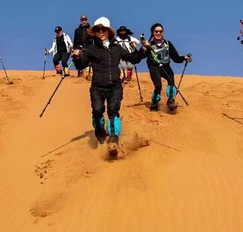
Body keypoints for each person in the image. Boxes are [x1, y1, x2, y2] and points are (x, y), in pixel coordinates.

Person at [72, 17, 145, 156]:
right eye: (98, 30)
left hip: (115, 86)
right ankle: (100, 133)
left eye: (103, 29)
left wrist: (144, 49)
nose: (100, 32)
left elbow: (134, 59)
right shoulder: (91, 49)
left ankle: (113, 141)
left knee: (113, 111)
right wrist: (76, 57)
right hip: (97, 87)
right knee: (97, 111)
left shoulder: (117, 48)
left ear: (109, 32)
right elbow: (81, 65)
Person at [142, 23, 192, 113]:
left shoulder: (167, 44)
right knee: (158, 86)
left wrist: (184, 58)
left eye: (160, 31)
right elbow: (142, 55)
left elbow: (175, 57)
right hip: (154, 67)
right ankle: (154, 103)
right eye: (156, 31)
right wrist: (144, 48)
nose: (158, 33)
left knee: (171, 82)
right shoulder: (149, 44)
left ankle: (171, 102)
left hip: (166, 66)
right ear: (152, 33)